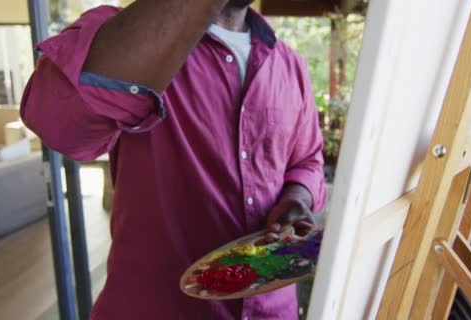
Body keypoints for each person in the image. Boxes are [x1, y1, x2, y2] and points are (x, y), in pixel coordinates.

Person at [20, 0, 326, 319]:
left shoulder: (289, 64)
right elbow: (60, 128)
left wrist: (296, 196)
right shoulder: (128, 37)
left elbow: (307, 160)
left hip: (273, 308)